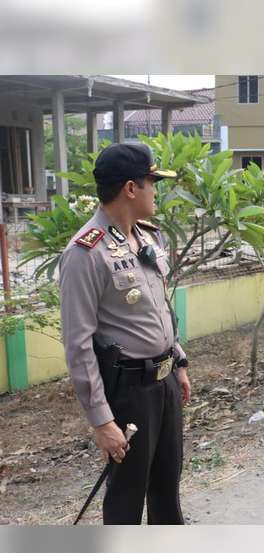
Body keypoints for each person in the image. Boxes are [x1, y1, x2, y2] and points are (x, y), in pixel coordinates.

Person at [59, 142, 191, 525]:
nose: (156, 191)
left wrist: (178, 360)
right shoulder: (86, 253)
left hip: (163, 383)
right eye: (152, 182)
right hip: (128, 392)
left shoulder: (147, 238)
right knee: (127, 497)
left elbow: (158, 307)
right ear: (131, 189)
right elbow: (78, 344)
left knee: (167, 487)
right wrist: (102, 421)